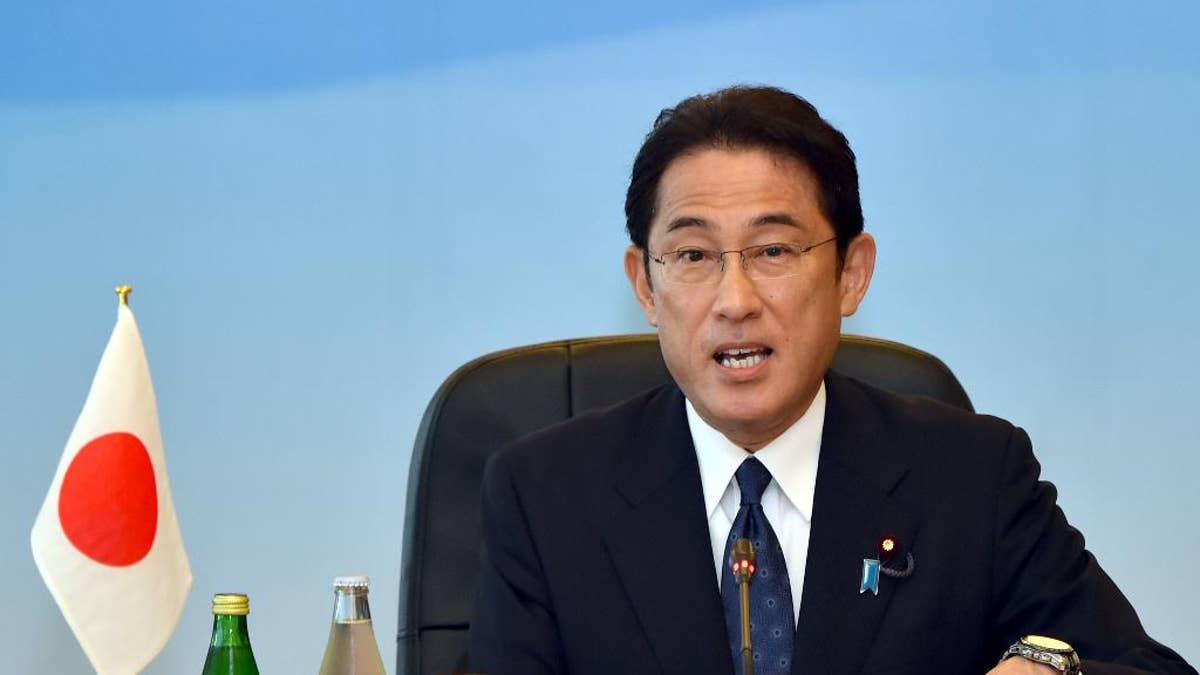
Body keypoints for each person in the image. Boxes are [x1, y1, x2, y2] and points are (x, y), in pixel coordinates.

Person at [466, 86, 1195, 675]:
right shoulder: (545, 497)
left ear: (852, 272)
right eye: (692, 255)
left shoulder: (971, 478)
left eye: (773, 249)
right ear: (645, 285)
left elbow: (1144, 668)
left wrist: (1050, 666)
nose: (735, 299)